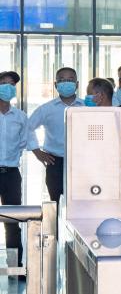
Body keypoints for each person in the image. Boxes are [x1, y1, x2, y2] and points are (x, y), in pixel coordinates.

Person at [27, 67, 85, 202]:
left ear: (77, 84)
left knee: (81, 202)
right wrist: (36, 151)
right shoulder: (46, 109)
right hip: (55, 163)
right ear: (56, 85)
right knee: (57, 201)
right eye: (62, 80)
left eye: (70, 80)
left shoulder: (87, 106)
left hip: (82, 162)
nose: (66, 83)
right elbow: (28, 128)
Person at [0, 71, 28, 267]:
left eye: (12, 84)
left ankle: (14, 267)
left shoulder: (20, 116)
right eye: (3, 83)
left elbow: (23, 142)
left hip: (11, 174)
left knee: (12, 221)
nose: (8, 87)